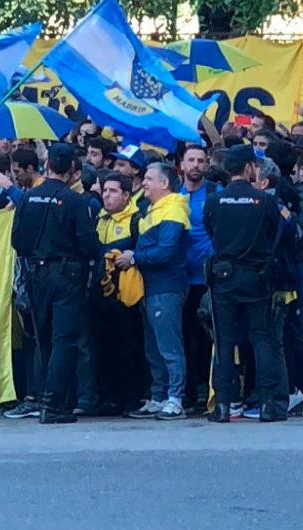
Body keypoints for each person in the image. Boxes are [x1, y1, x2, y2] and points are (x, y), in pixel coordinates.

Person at [10, 144, 98, 424]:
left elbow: (18, 242)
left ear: (47, 167)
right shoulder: (76, 201)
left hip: (37, 274)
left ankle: (43, 397)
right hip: (67, 275)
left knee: (42, 339)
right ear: (73, 170)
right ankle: (54, 402)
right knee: (64, 339)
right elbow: (88, 243)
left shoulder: (27, 198)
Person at [203, 146, 286, 423]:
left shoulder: (214, 201)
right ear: (249, 167)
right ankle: (267, 405)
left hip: (224, 276)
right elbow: (275, 233)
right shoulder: (264, 200)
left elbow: (210, 231)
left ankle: (224, 406)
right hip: (257, 275)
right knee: (261, 338)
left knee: (225, 342)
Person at [118, 162, 191, 421]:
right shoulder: (151, 210)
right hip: (149, 289)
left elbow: (167, 251)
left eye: (149, 179)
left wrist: (134, 257)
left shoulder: (172, 209)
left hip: (166, 287)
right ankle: (159, 396)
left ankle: (175, 398)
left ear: (165, 183)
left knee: (169, 346)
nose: (144, 182)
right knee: (154, 347)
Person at [92, 173, 145, 414]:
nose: (107, 195)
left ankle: (131, 398)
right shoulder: (100, 219)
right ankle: (109, 398)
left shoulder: (136, 219)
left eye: (113, 191)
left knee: (130, 347)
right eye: (105, 191)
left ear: (126, 195)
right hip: (102, 298)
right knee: (105, 348)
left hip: (127, 297)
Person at [178, 144, 217, 411]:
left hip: (206, 279)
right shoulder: (170, 195)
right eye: (191, 160)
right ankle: (189, 393)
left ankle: (206, 391)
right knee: (184, 338)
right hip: (179, 279)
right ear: (182, 164)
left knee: (205, 341)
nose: (195, 165)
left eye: (200, 160)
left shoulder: (215, 193)